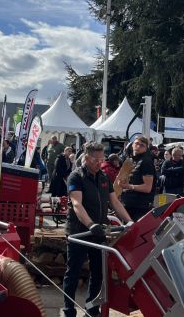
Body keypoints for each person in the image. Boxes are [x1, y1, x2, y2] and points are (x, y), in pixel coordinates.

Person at [63, 143, 132, 317]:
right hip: (80, 231)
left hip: (99, 231)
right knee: (74, 270)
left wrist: (130, 221)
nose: (99, 163)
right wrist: (90, 225)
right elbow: (77, 204)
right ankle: (69, 309)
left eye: (101, 159)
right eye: (95, 160)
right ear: (86, 158)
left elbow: (114, 202)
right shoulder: (76, 177)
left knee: (98, 272)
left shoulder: (103, 178)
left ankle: (91, 307)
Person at [118, 136, 156, 220]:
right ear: (132, 145)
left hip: (140, 207)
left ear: (146, 149)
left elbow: (147, 188)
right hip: (129, 204)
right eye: (136, 144)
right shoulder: (132, 160)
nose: (138, 146)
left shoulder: (146, 162)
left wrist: (129, 186)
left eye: (142, 145)